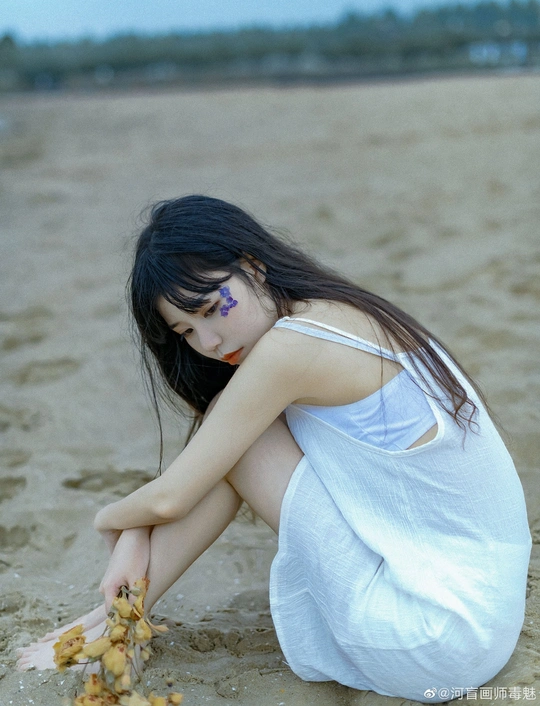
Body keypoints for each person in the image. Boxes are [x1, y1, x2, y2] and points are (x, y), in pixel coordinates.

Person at [17, 194, 531, 702]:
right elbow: (190, 478)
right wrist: (137, 527)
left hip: (430, 637)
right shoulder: (336, 311)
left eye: (212, 309)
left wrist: (112, 522)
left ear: (253, 267)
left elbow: (171, 498)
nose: (209, 343)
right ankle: (120, 618)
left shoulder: (290, 349)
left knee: (241, 439)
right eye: (186, 331)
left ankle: (117, 623)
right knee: (233, 432)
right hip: (481, 614)